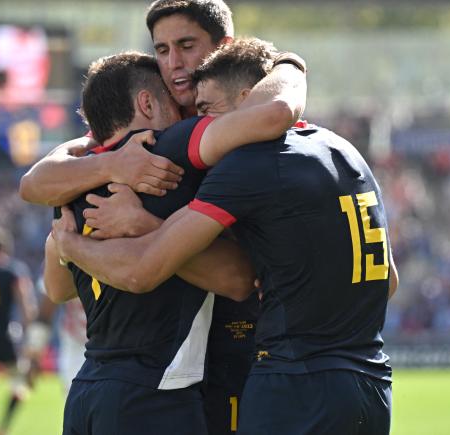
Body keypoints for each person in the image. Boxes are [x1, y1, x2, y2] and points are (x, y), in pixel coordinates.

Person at [51, 40, 399, 435]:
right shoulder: (344, 150)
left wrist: (80, 243)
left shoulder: (250, 163)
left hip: (294, 382)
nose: (199, 121)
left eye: (206, 109)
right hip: (371, 384)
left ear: (251, 100)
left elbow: (142, 268)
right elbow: (388, 281)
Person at [42, 50, 300, 435]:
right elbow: (270, 115)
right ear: (147, 103)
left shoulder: (71, 180)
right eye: (174, 104)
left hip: (88, 390)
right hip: (154, 394)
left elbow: (58, 288)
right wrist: (288, 65)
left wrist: (73, 246)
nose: (185, 113)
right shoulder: (169, 146)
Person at [18, 0, 306, 207]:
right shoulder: (155, 109)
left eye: (186, 46)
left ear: (224, 46)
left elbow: (278, 112)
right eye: (162, 50)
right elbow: (33, 184)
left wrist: (289, 64)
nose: (173, 63)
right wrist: (112, 165)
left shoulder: (260, 91)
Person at [0, 226, 37, 435]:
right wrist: (29, 339)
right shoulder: (14, 271)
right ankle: (4, 426)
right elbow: (26, 306)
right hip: (5, 338)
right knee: (21, 382)